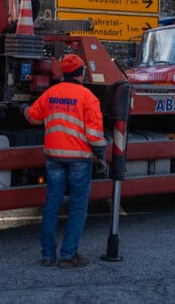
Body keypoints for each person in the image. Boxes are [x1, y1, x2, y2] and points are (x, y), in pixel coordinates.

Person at [25, 54, 106, 269]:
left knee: (52, 204)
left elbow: (33, 116)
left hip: (54, 157)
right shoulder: (88, 97)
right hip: (79, 159)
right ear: (80, 74)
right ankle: (68, 255)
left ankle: (48, 255)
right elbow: (95, 135)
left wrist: (24, 110)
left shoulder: (51, 93)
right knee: (78, 207)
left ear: (64, 73)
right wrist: (101, 155)